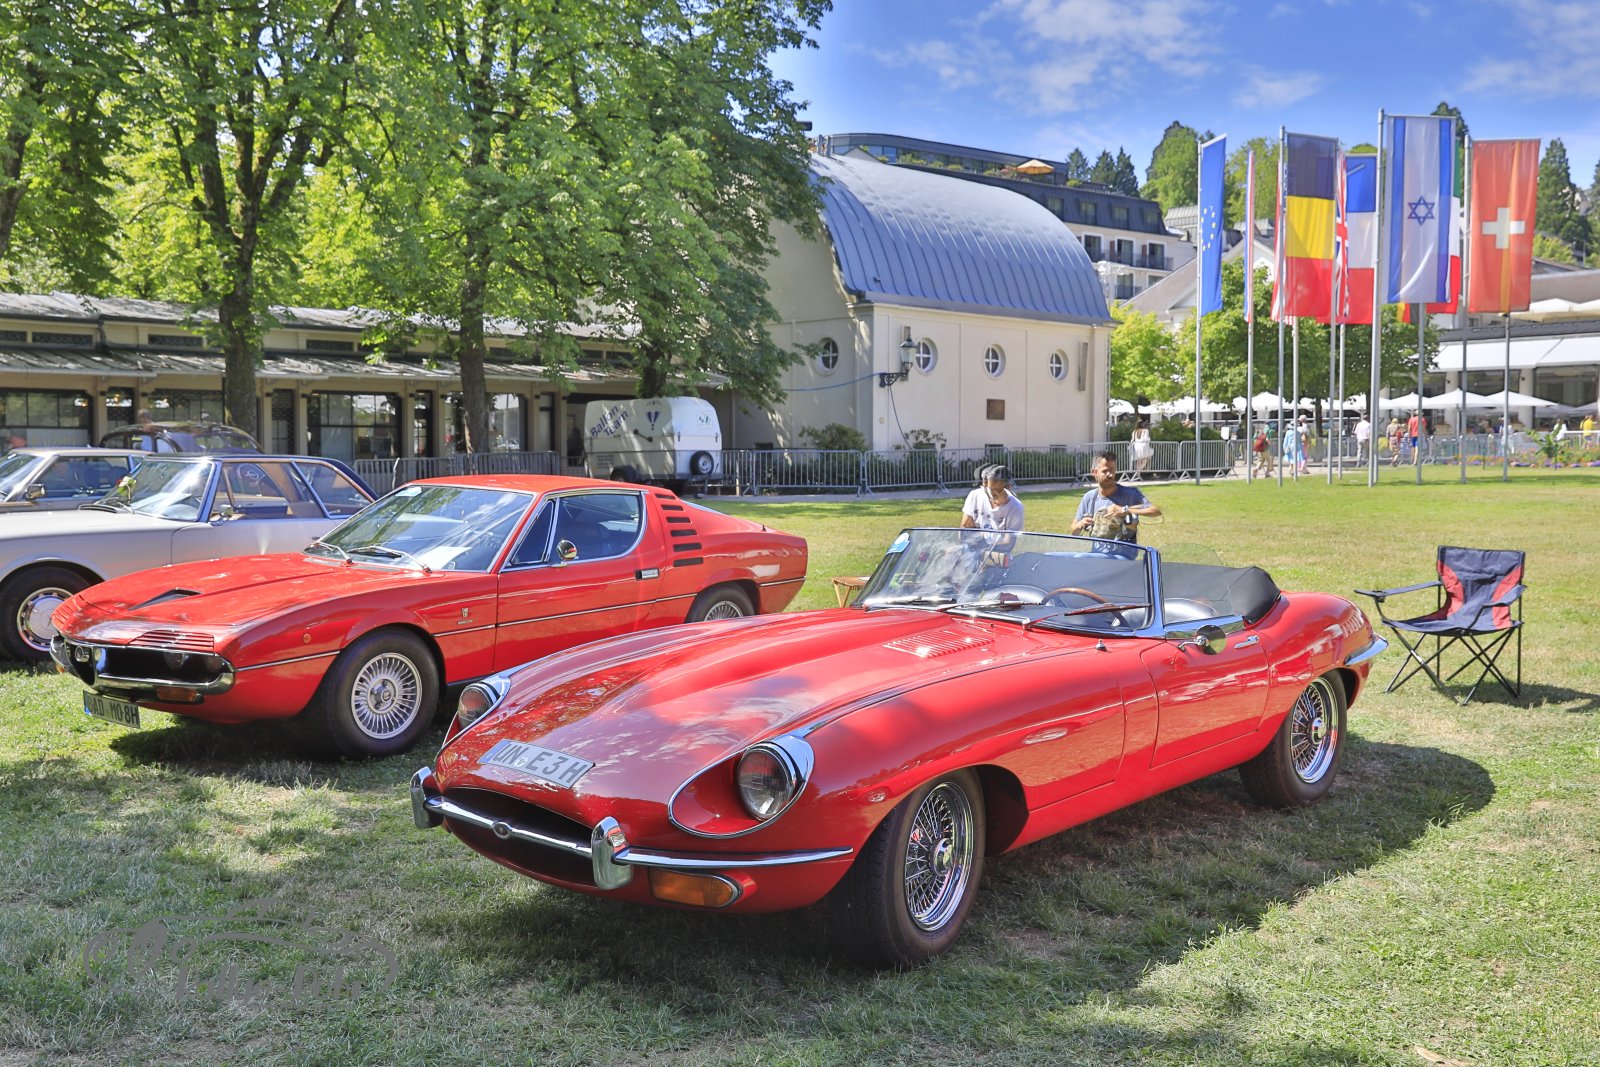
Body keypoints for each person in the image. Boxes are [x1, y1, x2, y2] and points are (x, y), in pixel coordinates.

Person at [1071, 452, 1160, 544]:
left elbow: (1156, 511)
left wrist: (1125, 510)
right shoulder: (1089, 497)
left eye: (1112, 470)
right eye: (1105, 471)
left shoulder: (1130, 494)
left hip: (1125, 551)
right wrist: (1080, 524)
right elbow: (1073, 531)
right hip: (1097, 552)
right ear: (1094, 472)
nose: (1110, 474)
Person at [961, 464, 1023, 535]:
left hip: (1000, 542)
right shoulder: (974, 495)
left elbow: (1009, 539)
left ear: (1008, 487)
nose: (992, 494)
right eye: (990, 489)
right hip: (976, 541)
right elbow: (964, 528)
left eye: (998, 490)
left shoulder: (1015, 507)